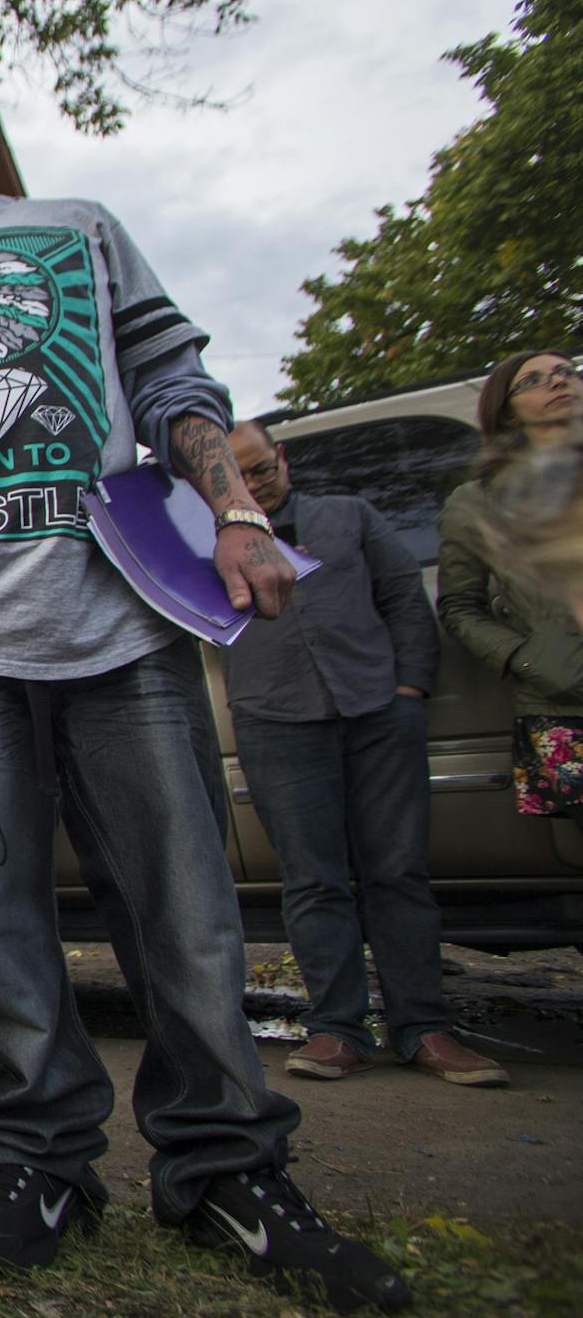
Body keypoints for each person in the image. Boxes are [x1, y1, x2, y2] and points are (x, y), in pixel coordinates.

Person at [0, 0, 407, 1311]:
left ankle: (226, 1167)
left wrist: (235, 511)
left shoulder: (78, 228)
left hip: (117, 627)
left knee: (185, 921)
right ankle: (39, 1161)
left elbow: (178, 384)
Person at [222, 421, 507, 1087]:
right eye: (239, 478)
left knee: (398, 873)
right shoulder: (207, 548)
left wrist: (409, 692)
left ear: (281, 460)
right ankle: (336, 1031)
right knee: (313, 880)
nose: (256, 485)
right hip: (273, 720)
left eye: (262, 469)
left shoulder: (349, 516)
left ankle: (426, 1029)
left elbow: (408, 603)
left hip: (378, 713)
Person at [438, 350, 583, 824]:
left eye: (565, 373)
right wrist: (528, 658)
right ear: (507, 411)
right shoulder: (477, 501)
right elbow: (459, 606)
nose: (558, 383)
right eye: (536, 381)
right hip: (565, 699)